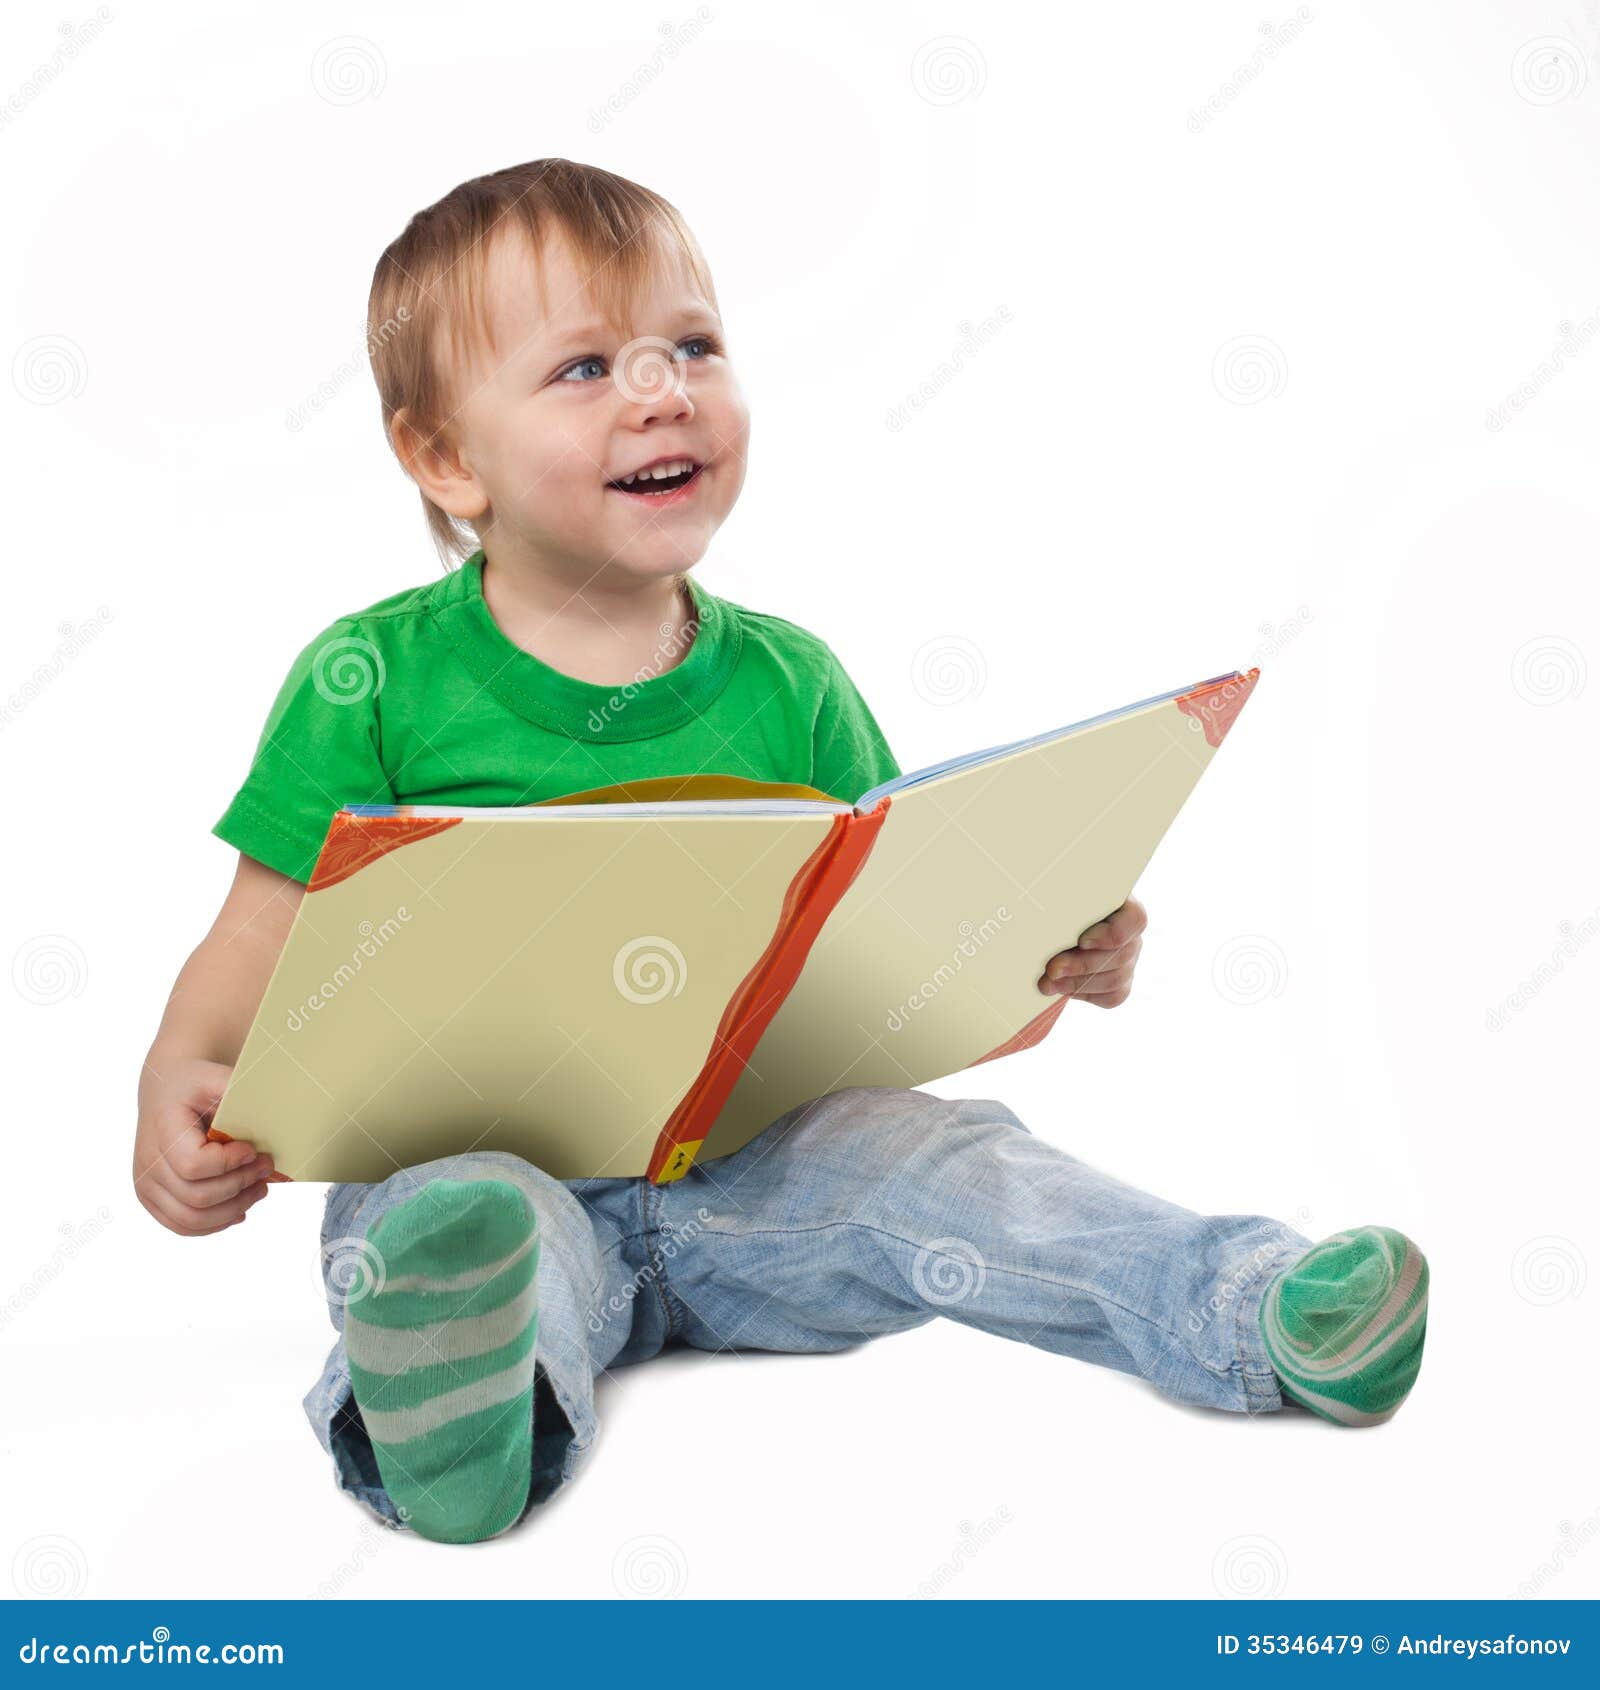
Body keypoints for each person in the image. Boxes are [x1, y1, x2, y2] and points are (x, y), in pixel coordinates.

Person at [132, 159, 1428, 1544]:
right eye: (586, 367)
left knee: (958, 1159)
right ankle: (473, 1409)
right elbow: (264, 924)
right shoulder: (372, 677)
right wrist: (180, 1076)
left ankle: (1255, 1310)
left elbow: (892, 942)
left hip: (761, 1192)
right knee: (447, 1214)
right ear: (449, 458)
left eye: (692, 345)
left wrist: (1060, 951)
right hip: (497, 1177)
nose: (661, 390)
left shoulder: (793, 683)